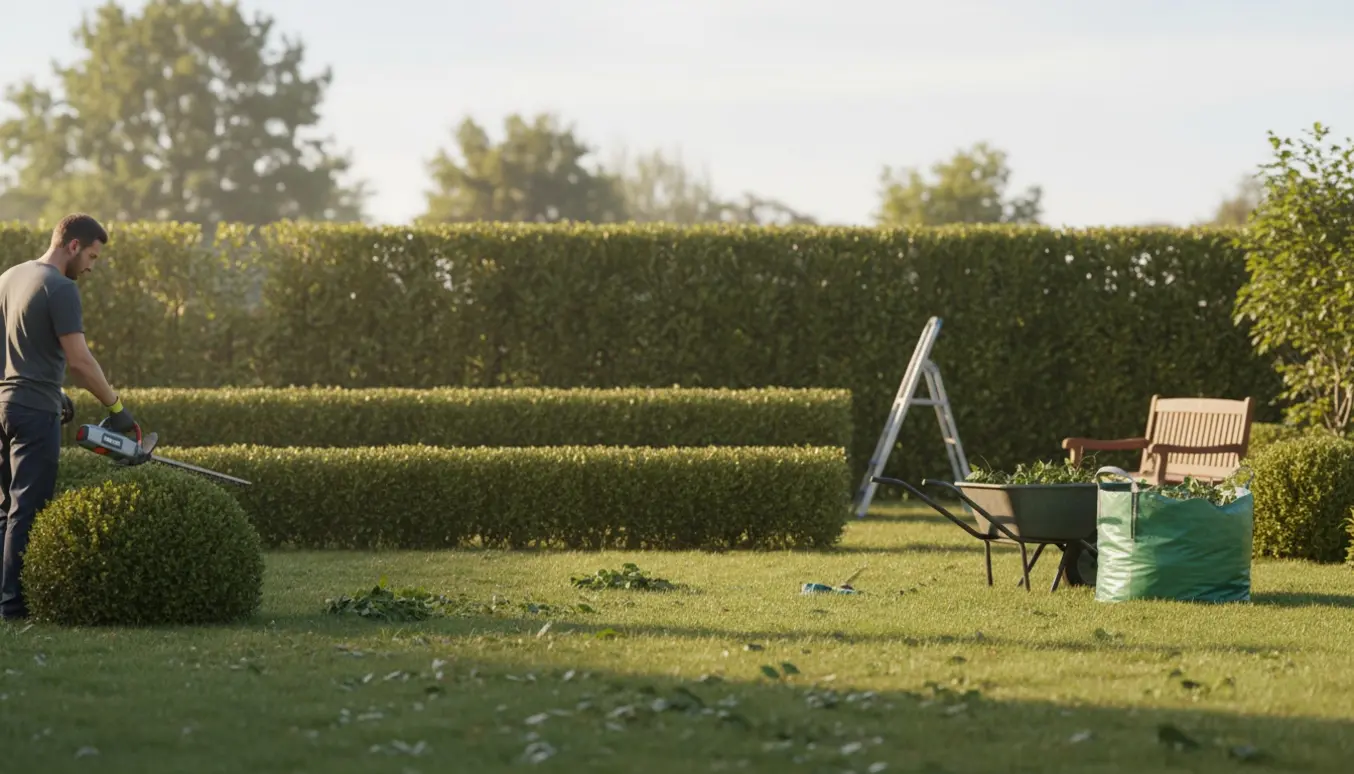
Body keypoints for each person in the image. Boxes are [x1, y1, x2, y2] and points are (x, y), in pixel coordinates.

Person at [0, 213, 137, 621]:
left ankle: (3, 600)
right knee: (28, 508)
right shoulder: (60, 288)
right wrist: (116, 408)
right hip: (32, 413)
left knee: (5, 508)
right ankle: (13, 608)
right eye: (92, 256)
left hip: (3, 406)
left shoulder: (10, 278)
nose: (92, 267)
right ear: (73, 246)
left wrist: (51, 388)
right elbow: (79, 361)